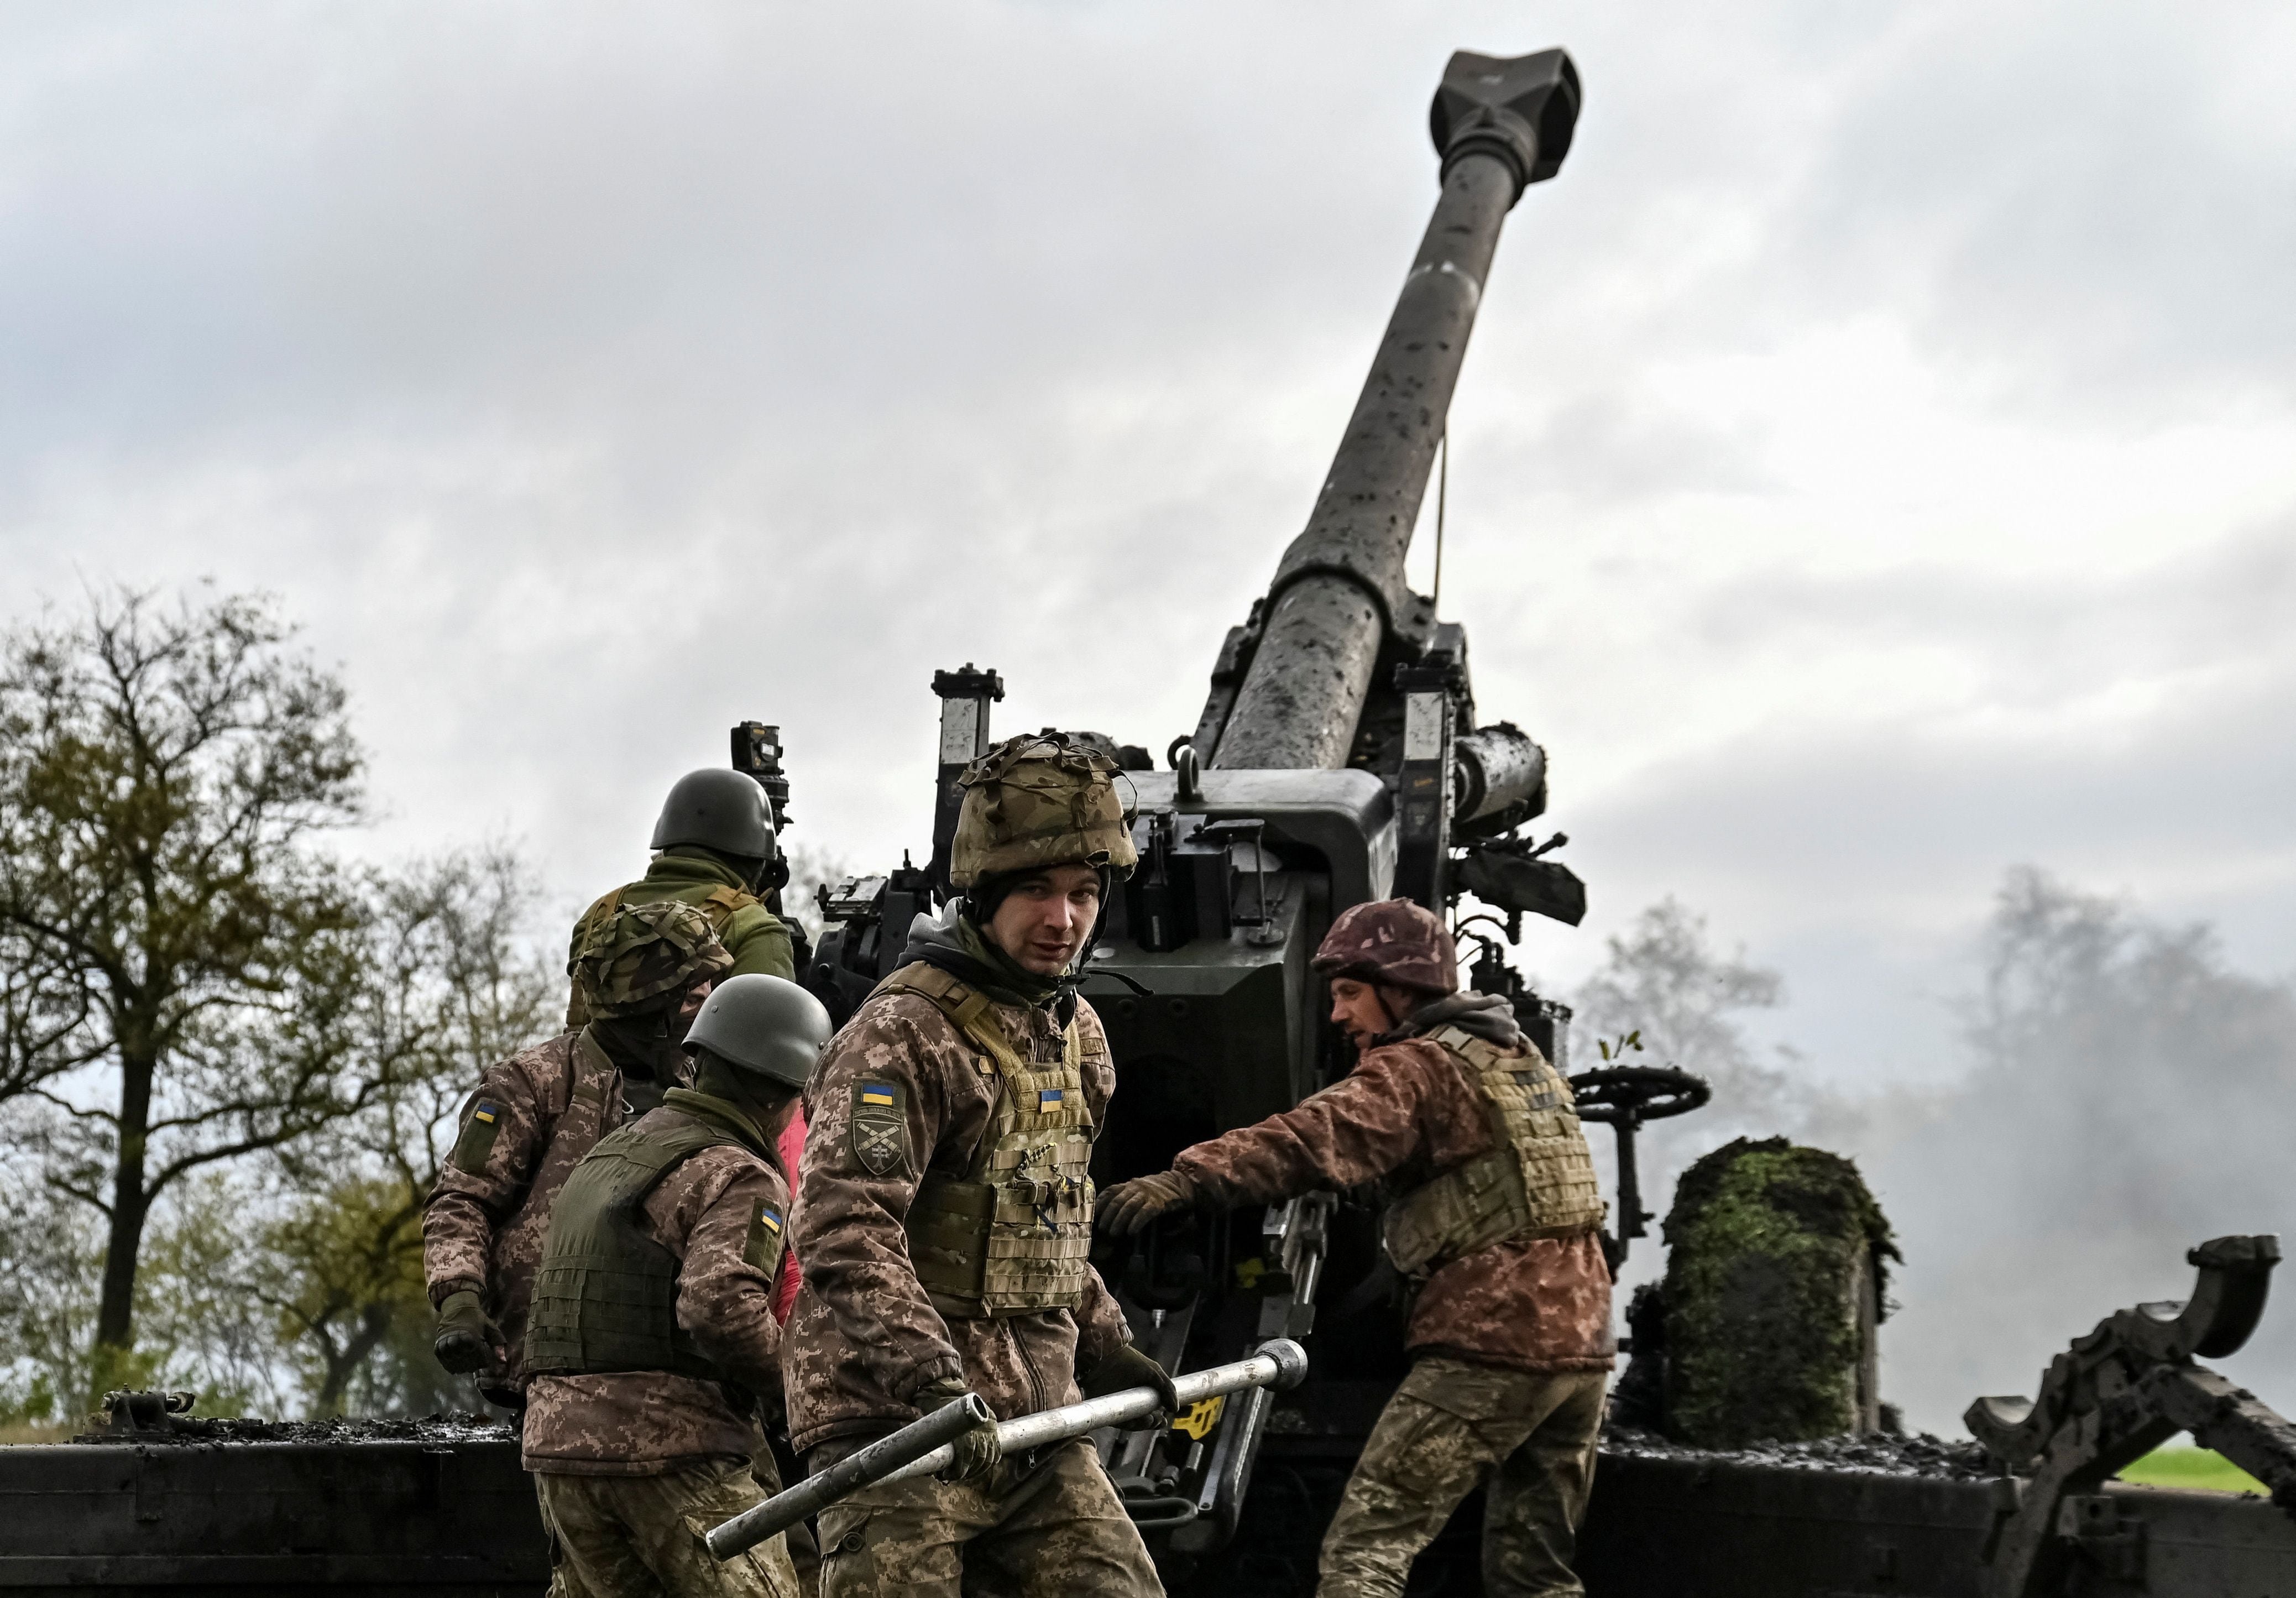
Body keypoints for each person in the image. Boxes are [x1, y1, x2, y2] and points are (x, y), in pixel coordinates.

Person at [1099, 898, 1613, 1598]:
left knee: (1365, 1553)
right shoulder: (1516, 1060)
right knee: (1534, 1572)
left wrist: (1186, 1180)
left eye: (1349, 993)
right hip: (1580, 1349)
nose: (1338, 1016)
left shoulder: (1418, 1068)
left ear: (1402, 990)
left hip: (1494, 1343)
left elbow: (1316, 1136)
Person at [782, 733, 1175, 1598]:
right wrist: (931, 1379)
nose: (1062, 919)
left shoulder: (1079, 1037)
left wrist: (1106, 1344)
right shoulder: (904, 1034)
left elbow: (1050, 1215)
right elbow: (842, 1228)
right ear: (985, 892)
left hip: (1038, 1424)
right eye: (1036, 890)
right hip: (895, 1423)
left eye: (1082, 893)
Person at [521, 972, 831, 1597]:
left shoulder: (609, 1153)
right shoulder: (737, 1171)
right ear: (785, 1090)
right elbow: (720, 1306)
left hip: (559, 1447)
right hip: (672, 1451)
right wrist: (801, 1397)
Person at [425, 900, 732, 1408]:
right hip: (552, 1371)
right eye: (694, 996)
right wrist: (457, 1297)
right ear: (648, 1004)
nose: (709, 1009)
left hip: (679, 1375)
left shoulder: (703, 1083)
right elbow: (463, 1200)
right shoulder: (533, 1083)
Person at [564, 769, 796, 1029]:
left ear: (666, 842)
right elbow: (766, 1045)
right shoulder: (753, 927)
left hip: (577, 1071)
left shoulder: (600, 914)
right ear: (760, 862)